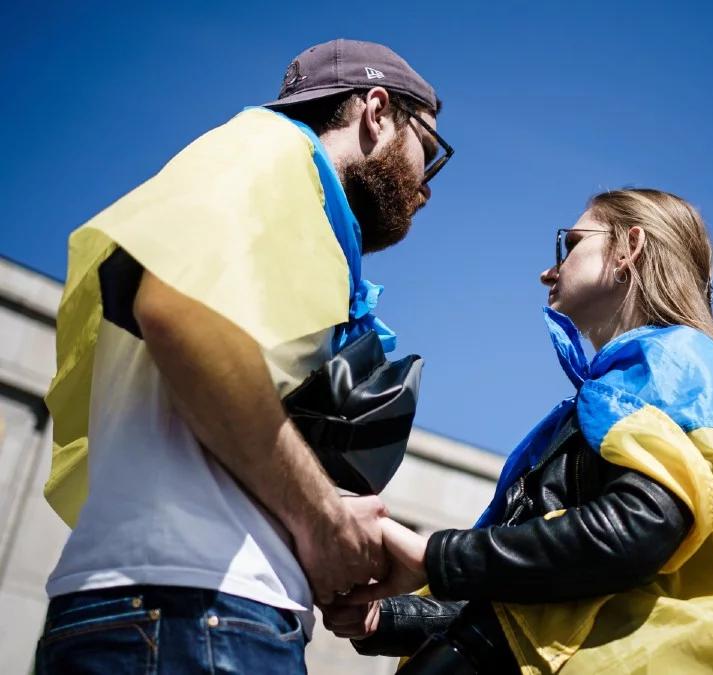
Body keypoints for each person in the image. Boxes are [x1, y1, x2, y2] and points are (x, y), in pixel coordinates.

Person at [37, 39, 450, 673]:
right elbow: (182, 315)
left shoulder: (281, 201)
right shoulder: (273, 152)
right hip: (198, 613)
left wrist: (353, 531)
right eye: (430, 144)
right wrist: (319, 519)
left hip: (175, 607)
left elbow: (208, 434)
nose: (426, 184)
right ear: (376, 110)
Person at [326, 189, 713, 674]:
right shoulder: (635, 388)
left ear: (629, 248)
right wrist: (388, 617)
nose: (548, 268)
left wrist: (435, 555)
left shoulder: (673, 362)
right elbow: (551, 604)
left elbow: (635, 528)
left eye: (569, 243)